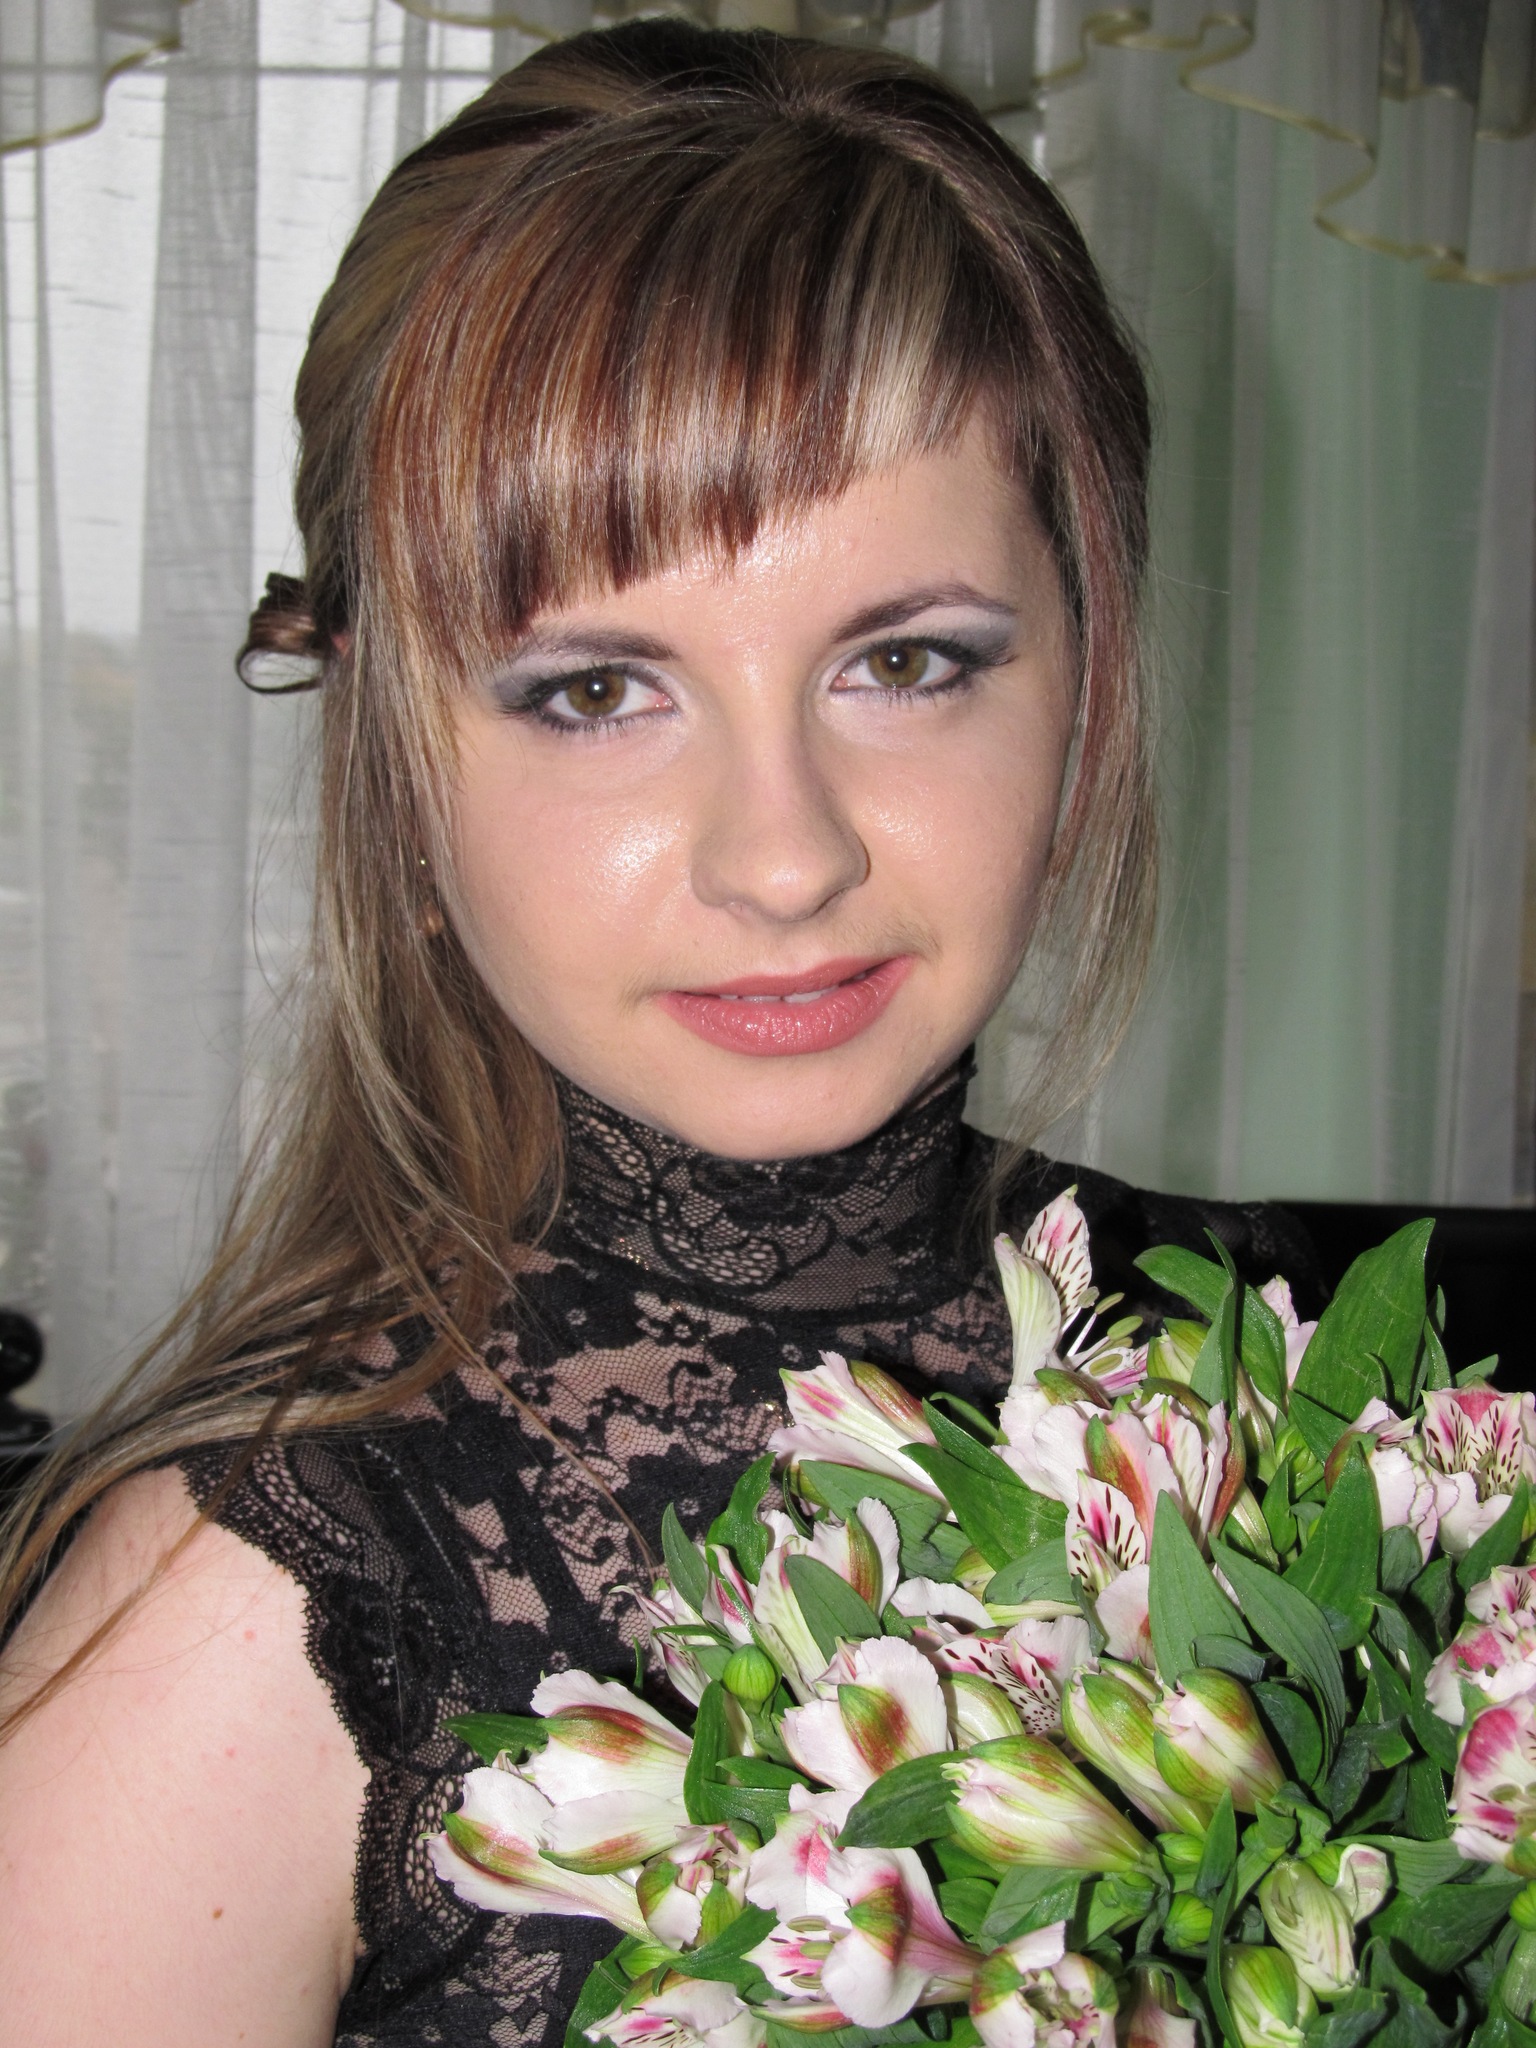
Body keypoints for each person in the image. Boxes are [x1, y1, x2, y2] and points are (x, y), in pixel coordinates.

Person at [0, 22, 1319, 2048]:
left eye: (906, 660)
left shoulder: (1270, 1388)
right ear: (387, 755)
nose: (782, 857)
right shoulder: (238, 1633)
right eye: (597, 692)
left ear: (1086, 673)